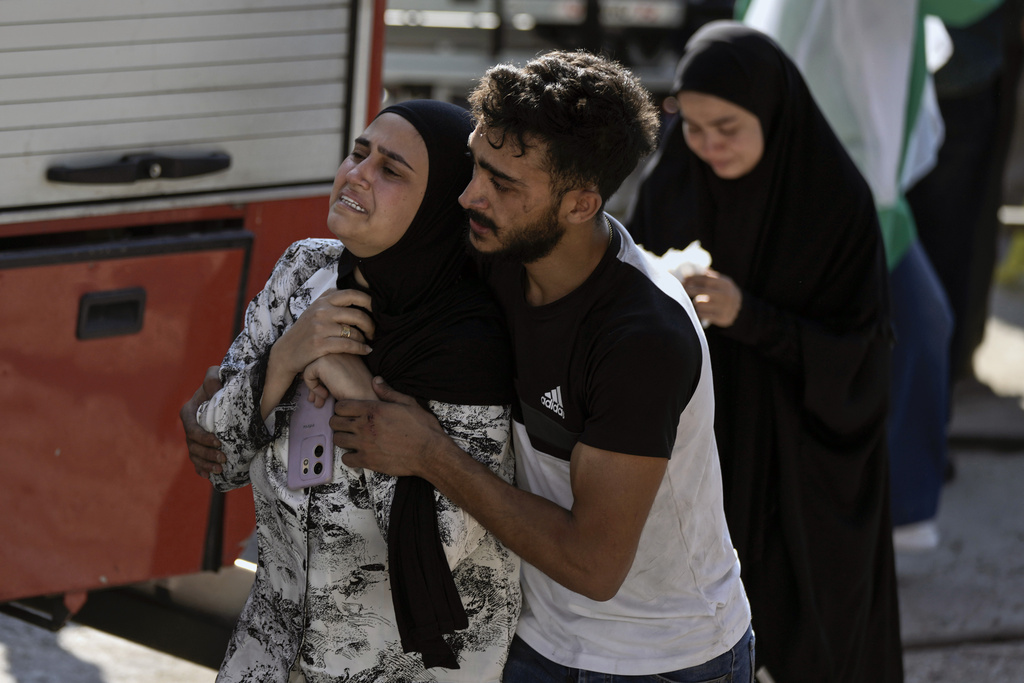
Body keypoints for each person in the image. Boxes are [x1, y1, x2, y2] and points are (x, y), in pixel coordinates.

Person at [329, 51, 753, 681]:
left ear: (581, 205)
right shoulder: (496, 244)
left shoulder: (641, 340)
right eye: (477, 164)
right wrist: (262, 365)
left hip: (660, 658)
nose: (470, 195)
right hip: (531, 639)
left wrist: (431, 455)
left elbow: (594, 566)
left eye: (504, 184)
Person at [182, 100, 521, 682]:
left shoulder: (468, 344)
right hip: (270, 652)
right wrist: (287, 354)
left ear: (442, 204)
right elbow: (219, 456)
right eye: (358, 154)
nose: (356, 174)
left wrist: (355, 387)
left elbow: (437, 553)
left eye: (391, 170)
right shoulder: (304, 273)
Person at [626, 23, 903, 682]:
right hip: (701, 451)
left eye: (727, 126)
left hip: (798, 472)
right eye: (690, 126)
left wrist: (749, 315)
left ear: (772, 116)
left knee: (799, 638)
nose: (708, 144)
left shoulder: (835, 207)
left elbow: (862, 362)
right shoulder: (674, 184)